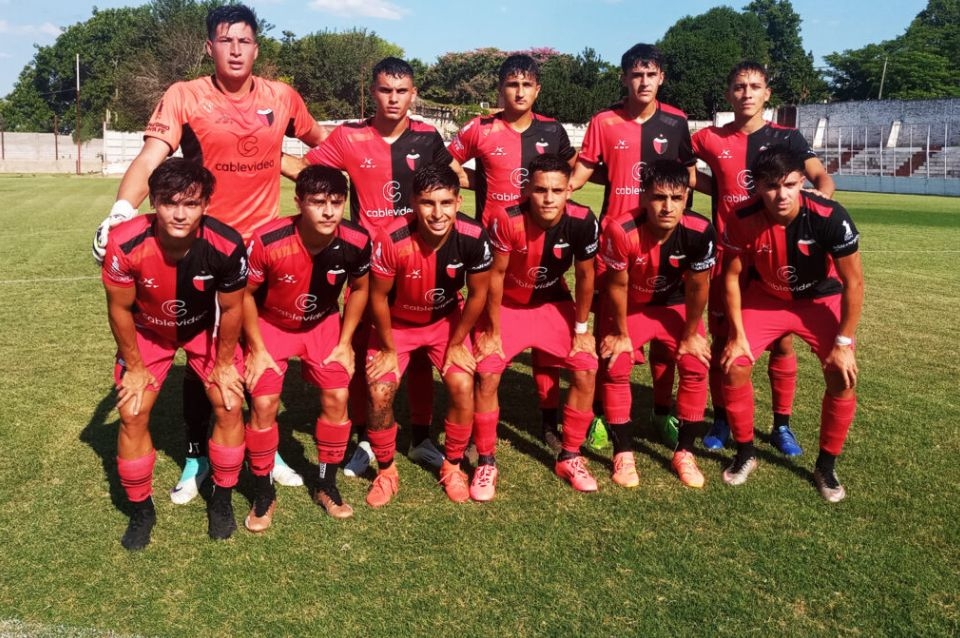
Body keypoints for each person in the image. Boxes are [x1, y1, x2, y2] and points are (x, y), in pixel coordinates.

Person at [92, 4, 327, 502]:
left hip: (263, 252)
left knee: (255, 353)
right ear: (209, 47)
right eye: (225, 41)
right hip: (203, 249)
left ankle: (265, 446)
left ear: (256, 48)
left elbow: (322, 147)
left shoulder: (282, 97)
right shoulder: (185, 96)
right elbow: (151, 158)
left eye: (244, 41)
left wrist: (297, 168)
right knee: (201, 349)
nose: (235, 50)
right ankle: (197, 455)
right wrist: (120, 211)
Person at [284, 57, 461, 477]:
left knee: (420, 355)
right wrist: (259, 153)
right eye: (385, 90)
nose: (393, 99)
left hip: (418, 259)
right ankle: (366, 437)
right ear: (373, 92)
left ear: (413, 94)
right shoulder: (350, 136)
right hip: (366, 264)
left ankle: (420, 438)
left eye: (401, 91)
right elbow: (307, 171)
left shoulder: (427, 136)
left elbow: (455, 177)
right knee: (367, 353)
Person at [102, 158, 248, 550]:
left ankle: (221, 499)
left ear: (206, 205)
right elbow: (119, 309)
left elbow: (232, 310)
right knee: (132, 412)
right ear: (153, 202)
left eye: (191, 204)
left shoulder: (226, 244)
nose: (180, 214)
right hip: (149, 333)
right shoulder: (125, 242)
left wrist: (223, 364)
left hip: (204, 330)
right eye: (169, 203)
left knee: (229, 403)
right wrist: (134, 367)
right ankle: (141, 510)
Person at [692, 61, 836, 455]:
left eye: (755, 86)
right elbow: (681, 164)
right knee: (723, 342)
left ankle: (781, 425)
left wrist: (821, 200)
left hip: (774, 257)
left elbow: (821, 177)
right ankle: (723, 419)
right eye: (739, 87)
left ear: (767, 93)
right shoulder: (709, 138)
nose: (747, 93)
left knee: (782, 343)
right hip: (729, 257)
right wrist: (716, 188)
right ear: (728, 94)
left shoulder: (787, 137)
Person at [569, 43, 697, 448]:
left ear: (661, 78)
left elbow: (690, 178)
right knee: (609, 334)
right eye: (636, 75)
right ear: (625, 78)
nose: (643, 82)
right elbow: (582, 171)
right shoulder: (604, 121)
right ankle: (602, 415)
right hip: (614, 242)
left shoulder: (676, 121)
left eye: (651, 74)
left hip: (663, 241)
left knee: (664, 336)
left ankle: (661, 412)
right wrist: (553, 193)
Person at [449, 54, 577, 452]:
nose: (519, 92)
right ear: (500, 88)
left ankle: (549, 422)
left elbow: (570, 172)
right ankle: (478, 429)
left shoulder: (552, 130)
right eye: (511, 84)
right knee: (487, 340)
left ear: (537, 90)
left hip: (539, 247)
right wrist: (482, 183)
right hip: (493, 249)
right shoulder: (481, 128)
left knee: (547, 345)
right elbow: (446, 163)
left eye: (526, 85)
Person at [719, 146, 862, 502]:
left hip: (818, 299)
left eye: (790, 184)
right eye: (771, 186)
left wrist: (844, 344)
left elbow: (854, 282)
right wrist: (737, 335)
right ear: (756, 187)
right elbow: (731, 277)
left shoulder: (829, 216)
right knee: (734, 365)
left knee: (841, 375)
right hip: (766, 298)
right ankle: (746, 452)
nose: (781, 195)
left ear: (802, 182)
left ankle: (826, 466)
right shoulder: (741, 216)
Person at [242, 166, 371, 527]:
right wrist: (256, 348)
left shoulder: (357, 239)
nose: (329, 211)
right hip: (271, 324)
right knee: (263, 403)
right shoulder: (268, 240)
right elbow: (245, 295)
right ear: (299, 202)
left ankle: (326, 484)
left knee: (338, 396)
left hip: (322, 324)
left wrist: (345, 342)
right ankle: (263, 492)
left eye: (336, 202)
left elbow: (361, 288)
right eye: (317, 202)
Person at [364, 164, 492, 506]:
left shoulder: (473, 235)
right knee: (378, 392)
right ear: (413, 203)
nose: (437, 213)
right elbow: (377, 297)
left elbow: (478, 294)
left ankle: (452, 466)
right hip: (396, 326)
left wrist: (456, 342)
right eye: (427, 203)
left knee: (463, 384)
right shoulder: (391, 237)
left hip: (444, 323)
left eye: (446, 203)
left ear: (459, 201)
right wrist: (387, 348)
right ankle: (386, 471)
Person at [473, 154, 599, 498]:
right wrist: (492, 331)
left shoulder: (583, 220)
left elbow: (586, 277)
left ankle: (570, 456)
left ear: (569, 190)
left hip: (552, 302)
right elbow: (495, 276)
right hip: (509, 306)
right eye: (541, 190)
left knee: (586, 367)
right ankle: (485, 461)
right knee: (487, 370)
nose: (548, 198)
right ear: (527, 189)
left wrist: (582, 330)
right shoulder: (506, 218)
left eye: (557, 190)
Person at [598, 160, 715, 488]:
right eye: (659, 197)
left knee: (695, 362)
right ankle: (623, 453)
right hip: (631, 306)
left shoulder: (700, 230)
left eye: (676, 198)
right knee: (617, 362)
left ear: (687, 197)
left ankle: (685, 453)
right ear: (643, 196)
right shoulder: (621, 229)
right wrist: (620, 333)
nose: (667, 207)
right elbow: (616, 286)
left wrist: (691, 334)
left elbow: (698, 286)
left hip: (673, 305)